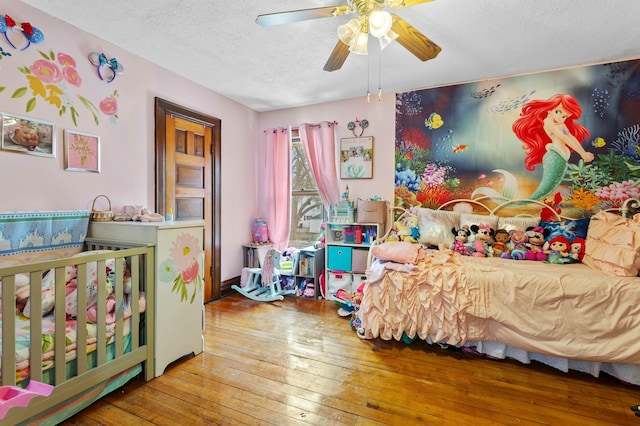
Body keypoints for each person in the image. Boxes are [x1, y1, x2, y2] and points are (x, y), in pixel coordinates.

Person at [512, 93, 594, 200]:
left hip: (561, 156)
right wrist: (582, 153)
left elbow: (570, 137)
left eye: (564, 116)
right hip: (554, 156)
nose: (560, 117)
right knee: (546, 187)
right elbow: (564, 138)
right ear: (550, 109)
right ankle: (527, 202)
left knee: (549, 186)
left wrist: (583, 152)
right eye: (558, 112)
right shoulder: (548, 122)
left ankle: (530, 202)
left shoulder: (561, 124)